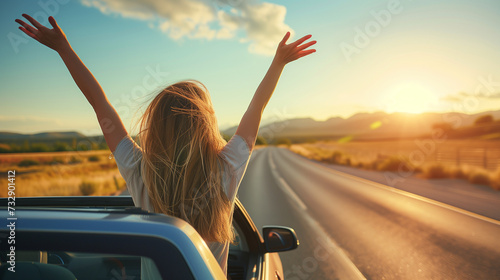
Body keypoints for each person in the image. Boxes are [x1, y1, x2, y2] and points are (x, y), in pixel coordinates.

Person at [15, 14, 316, 277]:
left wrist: (63, 49)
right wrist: (278, 63)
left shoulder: (139, 171)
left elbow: (100, 105)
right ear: (206, 126)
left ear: (156, 129)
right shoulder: (226, 167)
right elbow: (257, 108)